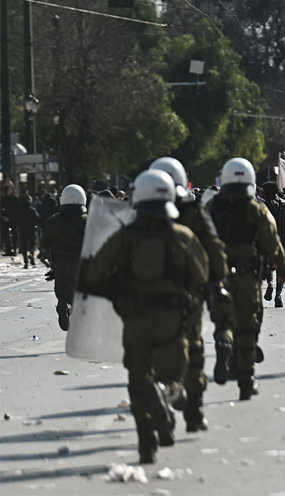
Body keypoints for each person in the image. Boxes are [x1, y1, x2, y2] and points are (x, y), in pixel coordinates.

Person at [78, 170, 209, 464]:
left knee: (137, 379)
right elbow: (202, 275)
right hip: (172, 319)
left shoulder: (121, 237)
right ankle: (164, 391)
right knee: (173, 375)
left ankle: (147, 441)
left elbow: (94, 274)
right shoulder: (183, 237)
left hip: (135, 316)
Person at [149, 157, 228, 432]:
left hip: (147, 295)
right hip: (187, 294)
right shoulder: (193, 210)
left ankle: (163, 393)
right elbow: (213, 246)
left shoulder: (138, 213)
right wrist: (217, 281)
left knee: (152, 350)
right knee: (193, 348)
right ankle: (194, 411)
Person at [209, 158, 285, 401]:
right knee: (248, 325)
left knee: (224, 320)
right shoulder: (257, 209)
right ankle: (246, 381)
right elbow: (272, 242)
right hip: (246, 275)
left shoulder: (212, 206)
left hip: (217, 274)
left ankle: (224, 342)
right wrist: (283, 269)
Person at [40, 185, 88, 331]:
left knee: (65, 296)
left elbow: (44, 245)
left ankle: (65, 305)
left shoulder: (53, 220)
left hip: (61, 265)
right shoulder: (87, 220)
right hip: (83, 265)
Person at [260, 181, 285, 307]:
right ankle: (278, 294)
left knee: (270, 265)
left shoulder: (265, 205)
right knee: (281, 267)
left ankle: (270, 284)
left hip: (270, 239)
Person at [18, 195, 39, 268]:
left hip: (22, 229)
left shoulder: (20, 210)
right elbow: (37, 219)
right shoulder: (32, 210)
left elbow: (17, 219)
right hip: (31, 228)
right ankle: (31, 254)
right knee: (33, 244)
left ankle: (26, 262)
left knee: (23, 245)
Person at [2, 184, 20, 255]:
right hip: (5, 219)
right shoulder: (4, 199)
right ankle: (8, 250)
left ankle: (14, 249)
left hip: (13, 219)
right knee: (6, 235)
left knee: (14, 234)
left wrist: (16, 218)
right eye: (8, 190)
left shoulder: (14, 198)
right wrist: (3, 216)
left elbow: (18, 209)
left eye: (11, 190)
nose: (10, 191)